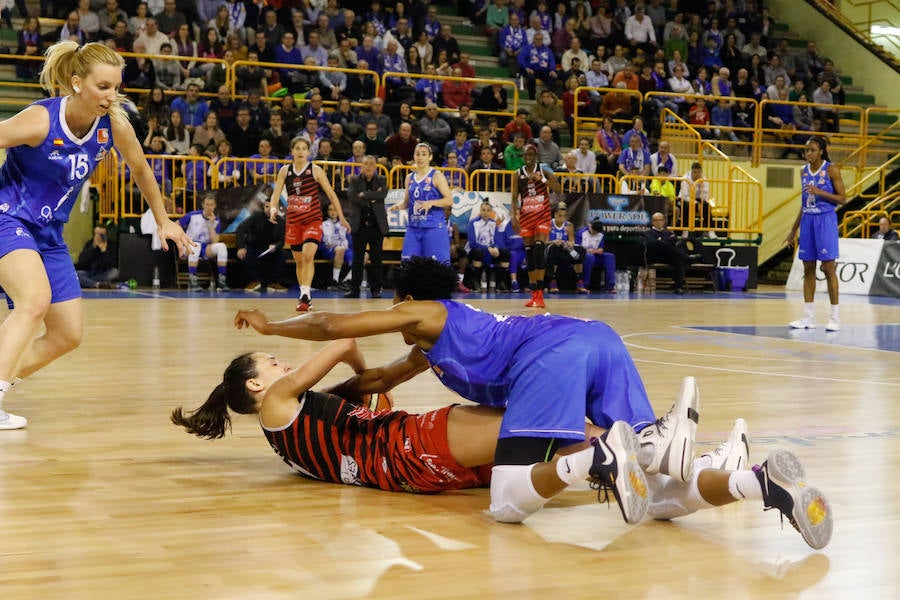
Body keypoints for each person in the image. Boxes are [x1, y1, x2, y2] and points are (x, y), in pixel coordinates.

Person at [173, 338, 834, 550]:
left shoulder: (286, 439)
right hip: (411, 443)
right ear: (255, 387)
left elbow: (339, 428)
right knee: (568, 432)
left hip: (413, 469)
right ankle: (661, 443)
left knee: (639, 492)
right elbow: (340, 346)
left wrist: (364, 395)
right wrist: (359, 371)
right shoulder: (280, 404)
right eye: (271, 362)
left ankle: (752, 481)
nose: (283, 364)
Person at [232, 257, 705, 526]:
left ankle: (604, 458)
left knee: (514, 486)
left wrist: (272, 327)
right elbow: (378, 380)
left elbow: (332, 324)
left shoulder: (423, 314)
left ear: (406, 300)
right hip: (592, 336)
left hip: (549, 351)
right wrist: (355, 381)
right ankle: (684, 457)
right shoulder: (430, 347)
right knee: (635, 434)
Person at [0, 41, 194, 430]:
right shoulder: (40, 120)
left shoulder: (114, 125)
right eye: (103, 87)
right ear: (77, 83)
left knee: (67, 334)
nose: (111, 96)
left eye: (116, 87)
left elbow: (140, 169)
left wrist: (164, 220)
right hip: (9, 219)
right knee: (34, 300)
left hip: (49, 233)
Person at [270, 137, 349, 312]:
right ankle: (304, 295)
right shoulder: (285, 171)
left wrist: (342, 216)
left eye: (303, 148)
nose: (300, 151)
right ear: (292, 151)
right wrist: (273, 209)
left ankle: (305, 295)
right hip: (293, 222)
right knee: (299, 261)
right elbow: (275, 194)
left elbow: (331, 194)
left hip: (312, 220)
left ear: (308, 152)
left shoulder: (315, 170)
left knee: (307, 256)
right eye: (296, 148)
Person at [785, 136, 847, 332]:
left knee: (829, 269)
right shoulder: (803, 171)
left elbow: (843, 199)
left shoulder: (831, 170)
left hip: (825, 221)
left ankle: (835, 317)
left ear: (821, 150)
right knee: (808, 268)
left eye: (812, 149)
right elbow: (803, 204)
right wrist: (793, 230)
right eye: (806, 150)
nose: (808, 153)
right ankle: (808, 317)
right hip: (808, 221)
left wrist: (820, 192)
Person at [512, 144, 561, 308]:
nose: (528, 156)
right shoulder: (517, 174)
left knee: (539, 250)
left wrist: (543, 180)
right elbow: (513, 197)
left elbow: (558, 189)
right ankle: (534, 294)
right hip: (526, 216)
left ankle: (540, 293)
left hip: (542, 214)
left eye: (531, 154)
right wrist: (514, 217)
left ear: (536, 155)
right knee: (530, 256)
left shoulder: (544, 169)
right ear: (523, 156)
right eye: (526, 154)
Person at [389, 143, 453, 264]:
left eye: (424, 154)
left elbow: (449, 200)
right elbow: (407, 202)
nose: (420, 157)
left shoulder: (437, 176)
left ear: (430, 157)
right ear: (414, 156)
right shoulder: (409, 178)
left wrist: (431, 203)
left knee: (437, 267)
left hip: (433, 227)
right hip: (413, 228)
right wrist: (398, 206)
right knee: (408, 265)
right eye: (418, 154)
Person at [343, 156, 389, 299]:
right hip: (359, 224)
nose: (368, 167)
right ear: (361, 166)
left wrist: (364, 194)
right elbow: (352, 197)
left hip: (376, 225)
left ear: (375, 167)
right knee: (357, 259)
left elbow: (383, 194)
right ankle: (354, 289)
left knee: (377, 258)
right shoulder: (355, 180)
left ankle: (376, 289)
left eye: (371, 164)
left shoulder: (381, 180)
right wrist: (372, 198)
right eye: (365, 164)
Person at [178, 193, 229, 291]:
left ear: (215, 206)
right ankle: (192, 279)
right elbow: (176, 226)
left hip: (205, 248)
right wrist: (180, 243)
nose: (209, 207)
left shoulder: (216, 220)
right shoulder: (192, 215)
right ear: (203, 205)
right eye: (207, 204)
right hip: (189, 246)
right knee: (196, 245)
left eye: (211, 205)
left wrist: (210, 224)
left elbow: (215, 241)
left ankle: (222, 280)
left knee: (221, 246)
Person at [236, 198, 286, 294]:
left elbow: (282, 241)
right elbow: (240, 229)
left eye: (271, 207)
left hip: (271, 250)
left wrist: (276, 246)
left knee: (282, 255)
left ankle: (273, 283)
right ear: (263, 207)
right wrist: (241, 247)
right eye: (267, 206)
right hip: (254, 248)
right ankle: (254, 281)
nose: (268, 209)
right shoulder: (256, 216)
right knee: (244, 254)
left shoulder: (281, 221)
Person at [642, 212, 698, 295]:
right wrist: (664, 241)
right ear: (652, 222)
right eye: (656, 220)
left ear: (664, 221)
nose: (658, 222)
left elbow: (674, 239)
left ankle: (678, 287)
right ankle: (688, 258)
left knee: (678, 259)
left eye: (660, 220)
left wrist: (661, 240)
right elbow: (652, 243)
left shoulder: (668, 232)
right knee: (669, 248)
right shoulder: (647, 233)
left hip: (669, 256)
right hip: (656, 256)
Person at [466, 200, 510, 292]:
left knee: (505, 253)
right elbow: (472, 243)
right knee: (478, 251)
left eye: (488, 210)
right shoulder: (473, 223)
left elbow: (497, 239)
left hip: (491, 250)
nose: (485, 212)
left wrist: (496, 248)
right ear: (480, 211)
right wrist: (488, 248)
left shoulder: (494, 223)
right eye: (483, 210)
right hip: (477, 250)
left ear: (491, 212)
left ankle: (501, 283)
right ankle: (476, 282)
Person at [544, 202, 588, 293]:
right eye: (560, 216)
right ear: (555, 214)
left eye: (564, 216)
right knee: (554, 249)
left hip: (564, 249)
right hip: (551, 249)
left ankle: (579, 282)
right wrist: (554, 241)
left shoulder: (569, 225)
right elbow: (544, 242)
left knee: (580, 250)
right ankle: (553, 281)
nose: (562, 218)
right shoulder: (548, 224)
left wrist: (570, 243)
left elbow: (572, 241)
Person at [319, 203, 353, 290]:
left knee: (364, 255)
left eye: (335, 210)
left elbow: (350, 242)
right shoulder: (322, 225)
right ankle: (335, 281)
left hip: (345, 249)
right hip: (329, 250)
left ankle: (347, 280)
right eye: (330, 210)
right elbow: (321, 243)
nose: (333, 212)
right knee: (340, 249)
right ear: (327, 212)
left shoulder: (344, 224)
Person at [75, 224, 119, 288]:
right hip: (89, 272)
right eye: (96, 234)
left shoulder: (111, 245)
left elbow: (111, 265)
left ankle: (86, 282)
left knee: (115, 272)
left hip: (103, 273)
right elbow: (81, 261)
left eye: (101, 235)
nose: (98, 237)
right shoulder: (89, 243)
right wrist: (93, 247)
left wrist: (104, 251)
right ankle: (97, 284)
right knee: (74, 274)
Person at [578, 219, 617, 293]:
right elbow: (577, 247)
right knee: (589, 257)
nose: (595, 234)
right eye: (594, 232)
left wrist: (594, 251)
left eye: (597, 232)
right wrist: (590, 251)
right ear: (590, 226)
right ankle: (585, 284)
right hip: (583, 256)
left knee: (610, 256)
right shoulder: (581, 233)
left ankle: (610, 285)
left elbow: (601, 249)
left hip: (596, 256)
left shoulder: (601, 234)